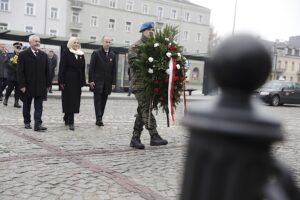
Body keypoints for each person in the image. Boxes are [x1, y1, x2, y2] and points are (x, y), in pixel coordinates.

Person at [128, 22, 168, 149]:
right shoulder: (136, 46)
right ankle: (154, 135)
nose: (153, 32)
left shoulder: (154, 46)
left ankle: (135, 138)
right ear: (144, 30)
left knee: (141, 111)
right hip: (139, 84)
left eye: (154, 30)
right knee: (146, 108)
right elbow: (134, 62)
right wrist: (147, 62)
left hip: (149, 84)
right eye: (151, 29)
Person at [17, 35, 51, 131]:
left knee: (39, 106)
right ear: (30, 43)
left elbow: (47, 71)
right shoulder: (23, 54)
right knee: (27, 105)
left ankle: (38, 124)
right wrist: (22, 85)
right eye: (35, 41)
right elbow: (20, 71)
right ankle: (27, 122)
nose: (37, 43)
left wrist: (48, 84)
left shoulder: (43, 55)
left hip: (40, 85)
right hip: (27, 86)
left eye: (38, 41)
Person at [58, 37, 86, 131]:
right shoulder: (66, 52)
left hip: (77, 80)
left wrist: (83, 81)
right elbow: (62, 67)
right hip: (68, 79)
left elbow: (83, 69)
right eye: (75, 42)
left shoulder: (81, 54)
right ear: (70, 43)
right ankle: (71, 122)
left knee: (75, 100)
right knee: (69, 100)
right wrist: (61, 81)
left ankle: (67, 116)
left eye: (78, 43)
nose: (77, 44)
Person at [89, 36, 116, 126]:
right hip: (97, 82)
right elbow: (91, 68)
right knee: (97, 101)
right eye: (106, 42)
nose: (107, 43)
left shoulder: (112, 54)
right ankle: (99, 119)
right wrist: (91, 80)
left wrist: (113, 83)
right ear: (102, 42)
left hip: (107, 83)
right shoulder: (96, 53)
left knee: (103, 102)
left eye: (109, 42)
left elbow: (114, 70)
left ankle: (100, 117)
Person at [3, 42, 22, 108]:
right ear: (14, 47)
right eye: (17, 47)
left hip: (19, 76)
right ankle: (6, 99)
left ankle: (16, 102)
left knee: (18, 89)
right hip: (11, 75)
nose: (18, 48)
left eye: (19, 47)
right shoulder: (10, 54)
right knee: (10, 88)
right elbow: (6, 63)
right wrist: (13, 65)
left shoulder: (22, 55)